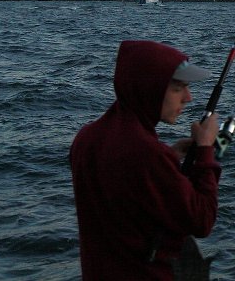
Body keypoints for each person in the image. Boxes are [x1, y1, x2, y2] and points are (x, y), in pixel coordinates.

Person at [71, 40, 221, 280]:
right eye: (178, 88)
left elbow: (124, 188)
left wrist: (170, 158)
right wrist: (205, 151)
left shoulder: (87, 137)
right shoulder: (148, 155)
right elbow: (202, 220)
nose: (188, 98)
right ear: (151, 88)